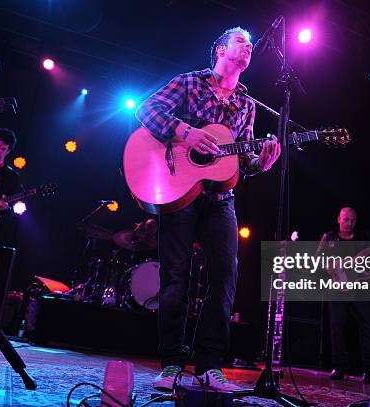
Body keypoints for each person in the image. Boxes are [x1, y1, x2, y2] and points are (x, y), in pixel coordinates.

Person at [135, 27, 280, 391]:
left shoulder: (247, 104)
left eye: (250, 45)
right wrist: (186, 132)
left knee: (226, 277)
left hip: (219, 200)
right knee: (175, 278)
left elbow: (239, 158)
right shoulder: (188, 83)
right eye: (241, 42)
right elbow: (145, 109)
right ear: (220, 49)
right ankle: (171, 364)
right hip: (178, 192)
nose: (248, 48)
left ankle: (209, 366)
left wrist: (259, 163)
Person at [317, 207, 370, 384]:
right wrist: (328, 267)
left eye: (352, 220)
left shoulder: (365, 238)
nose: (349, 223)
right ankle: (339, 368)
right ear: (338, 219)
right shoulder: (329, 237)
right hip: (337, 289)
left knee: (367, 327)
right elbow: (318, 261)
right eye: (345, 219)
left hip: (360, 288)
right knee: (337, 326)